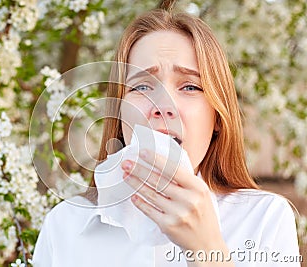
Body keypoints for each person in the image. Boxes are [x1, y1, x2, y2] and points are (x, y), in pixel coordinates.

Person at [32, 6, 301, 267]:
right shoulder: (65, 225)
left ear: (217, 117)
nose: (164, 106)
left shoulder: (266, 220)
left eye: (190, 86)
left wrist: (207, 250)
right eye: (142, 86)